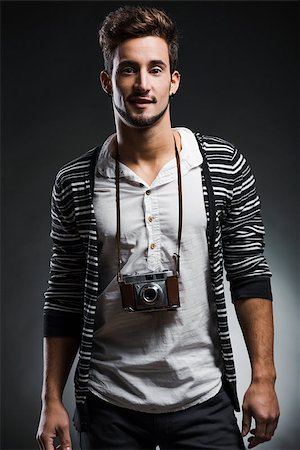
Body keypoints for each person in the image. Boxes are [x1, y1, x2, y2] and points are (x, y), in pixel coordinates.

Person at [36, 5, 280, 450]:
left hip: (203, 397)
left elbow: (250, 274)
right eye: (127, 70)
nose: (142, 84)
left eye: (155, 69)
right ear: (107, 81)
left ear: (174, 80)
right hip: (110, 404)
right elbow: (64, 292)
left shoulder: (221, 166)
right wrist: (50, 398)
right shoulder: (75, 182)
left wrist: (263, 378)